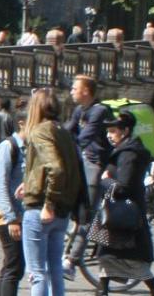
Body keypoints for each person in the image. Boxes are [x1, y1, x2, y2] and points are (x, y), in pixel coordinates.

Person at [95, 111, 154, 295]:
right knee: (107, 255)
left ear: (125, 131)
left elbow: (124, 187)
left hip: (123, 214)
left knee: (129, 258)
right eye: (108, 131)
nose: (109, 135)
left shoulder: (129, 154)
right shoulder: (125, 150)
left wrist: (105, 181)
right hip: (117, 212)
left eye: (113, 131)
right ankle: (102, 290)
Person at [21, 88, 82, 296]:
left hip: (41, 209)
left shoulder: (40, 131)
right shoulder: (63, 131)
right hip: (62, 210)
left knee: (37, 272)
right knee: (55, 268)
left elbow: (55, 168)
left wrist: (48, 203)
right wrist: (28, 183)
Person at [0, 95, 30, 296]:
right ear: (22, 123)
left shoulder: (28, 148)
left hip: (19, 213)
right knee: (15, 266)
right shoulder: (8, 147)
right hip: (6, 215)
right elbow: (1, 186)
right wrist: (11, 218)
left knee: (12, 266)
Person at [67, 75, 111, 222]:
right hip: (83, 160)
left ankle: (86, 226)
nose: (71, 92)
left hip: (96, 162)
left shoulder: (99, 111)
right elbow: (69, 130)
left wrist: (68, 148)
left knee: (88, 209)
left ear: (85, 91)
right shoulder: (79, 110)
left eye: (74, 89)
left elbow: (85, 137)